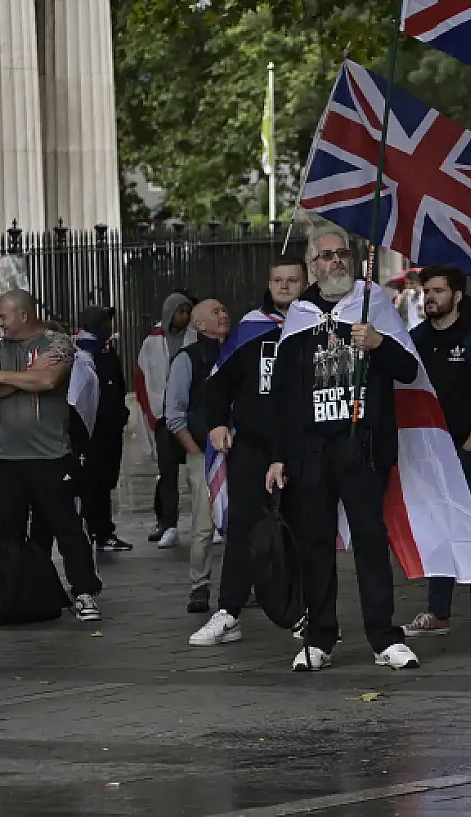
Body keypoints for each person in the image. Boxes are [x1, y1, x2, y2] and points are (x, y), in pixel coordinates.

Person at [266, 227, 422, 672]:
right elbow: (282, 395)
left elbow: (409, 369)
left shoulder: (374, 307)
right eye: (327, 256)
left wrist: (379, 343)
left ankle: (384, 637)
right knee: (314, 542)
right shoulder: (299, 316)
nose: (336, 261)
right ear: (312, 265)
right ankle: (320, 637)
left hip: (361, 446)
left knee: (371, 540)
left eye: (342, 254)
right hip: (311, 451)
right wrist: (279, 454)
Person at [190, 255, 305, 647]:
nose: (285, 286)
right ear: (269, 284)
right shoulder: (250, 329)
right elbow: (219, 383)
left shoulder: (317, 326)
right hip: (252, 448)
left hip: (302, 447)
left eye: (292, 280)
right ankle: (229, 612)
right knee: (241, 530)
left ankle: (305, 611)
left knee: (302, 530)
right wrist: (218, 422)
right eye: (278, 280)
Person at [0, 290, 102, 621]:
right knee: (9, 534)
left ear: (23, 315)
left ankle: (84, 593)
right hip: (6, 458)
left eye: (4, 316)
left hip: (51, 456)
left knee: (67, 527)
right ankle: (8, 597)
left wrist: (9, 378)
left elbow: (49, 379)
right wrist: (27, 378)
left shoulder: (57, 343)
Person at [402, 265, 471, 640]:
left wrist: (470, 444)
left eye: (438, 291)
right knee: (434, 530)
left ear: (457, 296)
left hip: (465, 449)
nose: (430, 297)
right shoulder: (415, 338)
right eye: (427, 291)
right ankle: (437, 611)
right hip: (428, 453)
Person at [163, 298, 230, 613]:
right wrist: (193, 449)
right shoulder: (187, 360)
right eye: (215, 312)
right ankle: (199, 585)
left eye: (224, 310)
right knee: (204, 525)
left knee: (241, 522)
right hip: (203, 453)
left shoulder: (237, 352)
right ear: (200, 325)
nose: (224, 315)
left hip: (239, 451)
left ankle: (245, 583)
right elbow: (173, 412)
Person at [136, 291, 195, 547]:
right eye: (180, 312)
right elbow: (142, 380)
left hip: (191, 416)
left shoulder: (195, 338)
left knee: (198, 469)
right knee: (167, 473)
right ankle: (168, 523)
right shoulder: (152, 343)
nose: (185, 317)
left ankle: (210, 520)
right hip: (164, 418)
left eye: (187, 311)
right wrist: (152, 414)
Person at [73, 306, 131, 553]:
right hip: (91, 431)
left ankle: (104, 530)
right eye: (105, 322)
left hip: (111, 429)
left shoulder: (107, 351)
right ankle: (93, 530)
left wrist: (122, 414)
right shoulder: (80, 352)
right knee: (91, 481)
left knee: (106, 480)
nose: (110, 326)